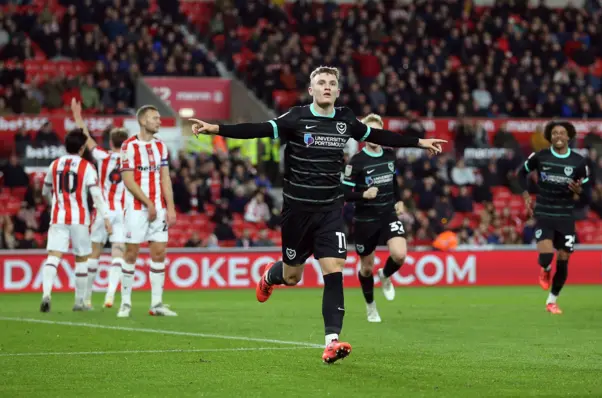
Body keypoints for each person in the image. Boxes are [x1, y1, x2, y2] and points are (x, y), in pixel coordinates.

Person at [189, 66, 447, 363]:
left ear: (338, 91)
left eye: (332, 83)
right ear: (311, 90)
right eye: (321, 82)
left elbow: (377, 134)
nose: (327, 86)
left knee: (334, 267)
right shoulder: (297, 117)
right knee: (292, 276)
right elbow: (258, 129)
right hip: (297, 211)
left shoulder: (346, 119)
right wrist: (217, 129)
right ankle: (271, 277)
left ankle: (331, 342)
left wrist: (419, 142)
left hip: (329, 210)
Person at [517, 121, 591, 315]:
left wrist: (579, 191)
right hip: (544, 213)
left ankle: (552, 301)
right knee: (547, 255)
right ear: (550, 137)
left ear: (569, 137)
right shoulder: (541, 156)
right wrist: (525, 195)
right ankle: (545, 268)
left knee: (564, 259)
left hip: (566, 216)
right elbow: (520, 173)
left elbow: (587, 194)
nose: (558, 136)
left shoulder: (579, 162)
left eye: (562, 133)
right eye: (555, 133)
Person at [341, 113, 407, 323]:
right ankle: (370, 306)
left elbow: (393, 182)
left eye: (375, 131)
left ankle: (385, 275)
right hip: (365, 220)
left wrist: (399, 199)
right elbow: (343, 192)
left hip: (388, 214)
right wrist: (363, 194)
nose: (372, 136)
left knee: (399, 255)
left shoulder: (389, 155)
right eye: (367, 132)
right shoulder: (357, 161)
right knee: (367, 268)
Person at [40, 129, 111, 312]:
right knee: (81, 259)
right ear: (81, 148)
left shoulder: (54, 165)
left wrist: (53, 203)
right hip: (79, 218)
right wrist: (106, 217)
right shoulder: (87, 166)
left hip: (58, 216)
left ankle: (46, 294)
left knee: (53, 256)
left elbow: (45, 192)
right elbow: (96, 195)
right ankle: (79, 302)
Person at [117, 105, 177, 318]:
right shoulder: (128, 146)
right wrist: (148, 203)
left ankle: (157, 303)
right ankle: (125, 303)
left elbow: (165, 178)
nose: (159, 121)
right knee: (131, 253)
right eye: (155, 118)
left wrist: (169, 207)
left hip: (158, 208)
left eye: (159, 118)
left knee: (159, 252)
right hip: (135, 209)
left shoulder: (161, 146)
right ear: (143, 121)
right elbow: (128, 180)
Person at [71, 98, 128, 309]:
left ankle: (86, 298)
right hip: (122, 213)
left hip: (102, 211)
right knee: (118, 252)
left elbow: (86, 139)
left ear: (110, 142)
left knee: (94, 253)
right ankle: (110, 294)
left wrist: (78, 117)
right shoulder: (132, 160)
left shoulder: (102, 156)